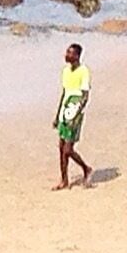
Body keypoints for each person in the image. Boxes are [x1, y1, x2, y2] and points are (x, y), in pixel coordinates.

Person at [55, 42, 92, 189]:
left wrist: (75, 117)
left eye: (70, 53)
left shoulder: (84, 71)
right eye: (67, 52)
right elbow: (64, 93)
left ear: (76, 56)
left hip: (75, 112)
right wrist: (58, 115)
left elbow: (85, 96)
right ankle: (64, 180)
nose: (67, 55)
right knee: (61, 147)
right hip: (65, 111)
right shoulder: (65, 71)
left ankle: (86, 168)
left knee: (68, 149)